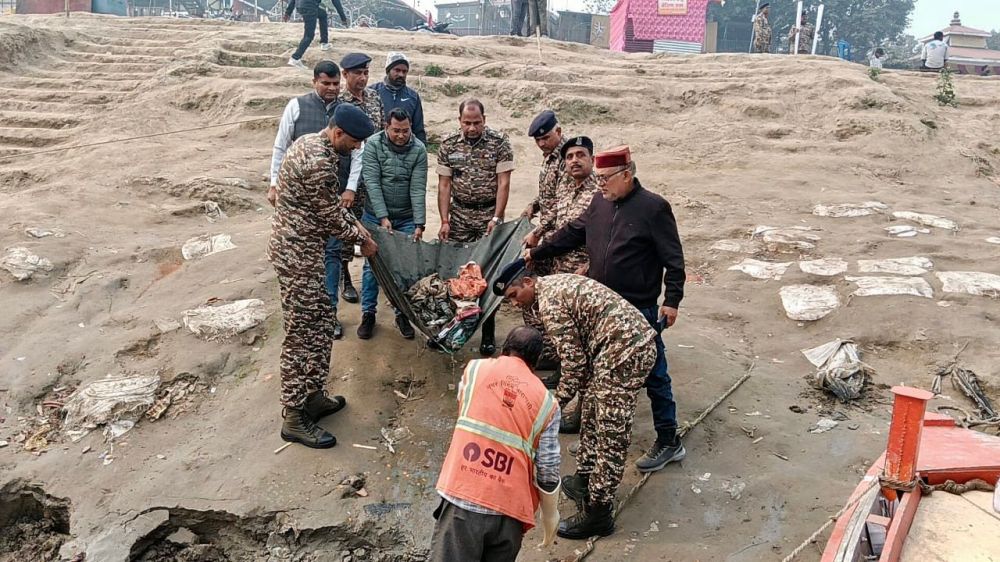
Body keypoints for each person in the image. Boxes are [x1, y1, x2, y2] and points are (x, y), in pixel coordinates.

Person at [525, 146, 687, 474]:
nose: (600, 185)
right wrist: (539, 251)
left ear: (627, 174)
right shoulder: (600, 202)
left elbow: (674, 259)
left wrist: (671, 300)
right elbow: (572, 234)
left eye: (605, 179)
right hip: (600, 307)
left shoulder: (653, 208)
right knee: (597, 370)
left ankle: (669, 440)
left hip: (637, 308)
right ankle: (591, 428)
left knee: (654, 373)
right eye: (597, 179)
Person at [495, 267, 656, 539]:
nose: (514, 302)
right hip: (610, 349)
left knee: (610, 432)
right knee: (592, 410)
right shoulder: (553, 286)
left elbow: (574, 364)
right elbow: (580, 361)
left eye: (514, 294)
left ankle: (599, 512)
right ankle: (584, 478)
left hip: (626, 352)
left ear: (527, 281)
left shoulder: (550, 304)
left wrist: (552, 407)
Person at [268, 104, 378, 448]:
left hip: (307, 252)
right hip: (295, 255)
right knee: (301, 332)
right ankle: (293, 415)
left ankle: (314, 395)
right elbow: (330, 215)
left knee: (319, 322)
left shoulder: (314, 145)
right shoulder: (317, 159)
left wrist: (358, 226)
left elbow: (330, 204)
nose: (358, 148)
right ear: (338, 132)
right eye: (356, 141)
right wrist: (363, 240)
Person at [430, 327, 561, 561]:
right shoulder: (547, 403)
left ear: (505, 348)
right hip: (510, 511)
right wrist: (551, 515)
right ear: (537, 360)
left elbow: (465, 405)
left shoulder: (476, 369)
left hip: (464, 496)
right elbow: (548, 470)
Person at [269, 60, 363, 340]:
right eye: (327, 83)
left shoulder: (345, 115)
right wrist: (361, 238)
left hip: (330, 202)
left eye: (336, 84)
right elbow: (280, 145)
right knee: (304, 320)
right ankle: (317, 324)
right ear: (314, 82)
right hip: (301, 237)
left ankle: (328, 313)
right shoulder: (298, 109)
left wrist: (350, 189)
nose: (332, 88)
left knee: (333, 256)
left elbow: (358, 156)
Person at [436, 99, 514, 356]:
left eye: (477, 122)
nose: (472, 128)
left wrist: (497, 217)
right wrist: (445, 220)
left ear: (484, 119)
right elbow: (444, 185)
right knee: (457, 273)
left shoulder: (499, 142)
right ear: (459, 121)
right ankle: (453, 329)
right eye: (467, 123)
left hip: (487, 216)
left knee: (487, 275)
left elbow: (503, 183)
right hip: (459, 214)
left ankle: (488, 333)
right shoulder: (447, 145)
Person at [357, 108, 427, 340]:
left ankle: (402, 314)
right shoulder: (373, 146)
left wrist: (419, 222)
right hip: (374, 217)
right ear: (386, 126)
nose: (400, 135)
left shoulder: (418, 150)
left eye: (405, 131)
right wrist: (382, 216)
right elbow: (372, 183)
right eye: (396, 131)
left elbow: (418, 188)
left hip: (405, 217)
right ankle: (368, 313)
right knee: (371, 266)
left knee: (402, 267)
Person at [333, 53, 386, 307]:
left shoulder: (375, 97)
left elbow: (382, 133)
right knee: (347, 224)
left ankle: (375, 275)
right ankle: (345, 277)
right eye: (357, 73)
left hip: (373, 173)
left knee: (373, 222)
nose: (363, 78)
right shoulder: (340, 103)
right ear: (345, 75)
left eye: (365, 73)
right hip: (348, 175)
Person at [372, 52, 426, 144]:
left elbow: (418, 130)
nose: (401, 74)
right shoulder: (372, 92)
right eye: (397, 70)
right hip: (376, 149)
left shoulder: (413, 97)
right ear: (388, 70)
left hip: (404, 150)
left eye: (404, 71)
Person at [285, 0, 340, 69]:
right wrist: (343, 17)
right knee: (309, 36)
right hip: (310, 7)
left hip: (300, 6)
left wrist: (288, 12)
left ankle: (324, 42)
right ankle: (295, 58)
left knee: (323, 14)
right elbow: (336, 2)